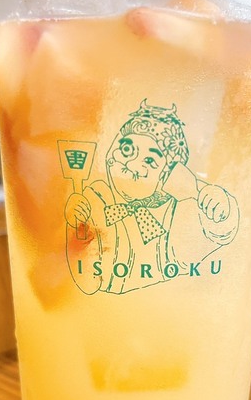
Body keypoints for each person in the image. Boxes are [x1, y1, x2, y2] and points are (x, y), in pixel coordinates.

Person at [64, 100, 239, 294]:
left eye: (150, 160)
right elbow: (75, 271)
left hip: (167, 308)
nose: (131, 164)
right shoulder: (98, 196)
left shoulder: (173, 214)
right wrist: (75, 217)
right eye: (127, 149)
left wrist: (217, 209)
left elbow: (206, 241)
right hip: (94, 309)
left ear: (168, 176)